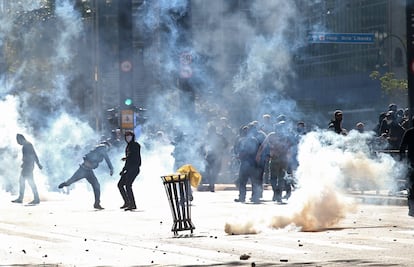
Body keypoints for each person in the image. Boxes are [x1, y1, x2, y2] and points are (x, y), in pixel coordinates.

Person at [58, 141, 114, 210]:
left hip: (88, 170)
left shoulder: (98, 149)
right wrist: (111, 168)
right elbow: (107, 159)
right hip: (84, 169)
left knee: (96, 185)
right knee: (96, 185)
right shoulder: (103, 147)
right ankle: (66, 183)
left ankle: (97, 203)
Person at [12, 134, 43, 205]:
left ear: (21, 139)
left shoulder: (27, 145)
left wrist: (38, 164)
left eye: (18, 140)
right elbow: (32, 155)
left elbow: (33, 155)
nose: (17, 142)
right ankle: (24, 198)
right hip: (28, 166)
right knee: (24, 181)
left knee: (29, 182)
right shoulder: (27, 145)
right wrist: (37, 164)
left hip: (28, 166)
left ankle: (35, 198)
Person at [118, 130, 141, 211]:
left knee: (128, 185)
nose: (128, 137)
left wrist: (127, 158)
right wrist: (123, 170)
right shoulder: (127, 146)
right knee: (120, 184)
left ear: (133, 136)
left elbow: (133, 156)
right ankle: (127, 202)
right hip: (129, 168)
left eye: (129, 136)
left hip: (134, 168)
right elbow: (128, 160)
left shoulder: (136, 145)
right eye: (126, 136)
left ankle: (132, 204)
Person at [399, 120, 414, 217]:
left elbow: (402, 148)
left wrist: (403, 161)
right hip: (411, 163)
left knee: (411, 186)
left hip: (411, 163)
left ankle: (411, 209)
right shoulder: (408, 132)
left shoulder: (409, 132)